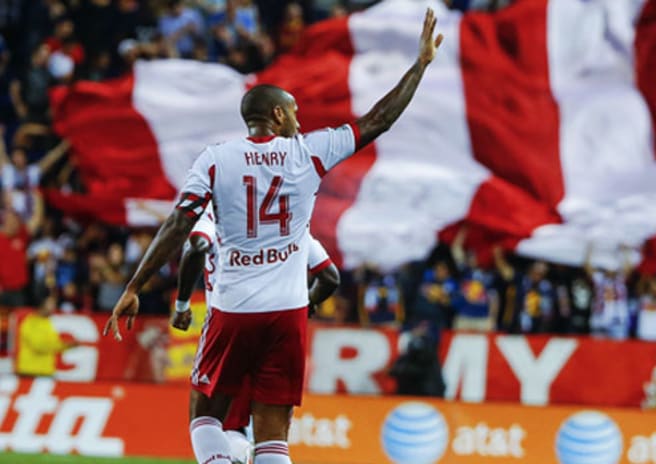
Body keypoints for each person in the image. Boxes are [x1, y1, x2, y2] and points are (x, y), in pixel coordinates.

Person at [103, 10, 442, 464]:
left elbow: (181, 225)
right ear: (278, 115)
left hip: (234, 307)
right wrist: (418, 67)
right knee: (273, 433)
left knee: (203, 411)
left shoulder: (215, 159)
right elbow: (377, 120)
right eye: (296, 113)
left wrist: (134, 287)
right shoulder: (308, 152)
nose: (300, 122)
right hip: (288, 314)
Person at [171, 202, 340, 464]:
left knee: (208, 417)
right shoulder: (288, 222)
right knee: (272, 439)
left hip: (232, 326)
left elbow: (197, 246)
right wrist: (308, 304)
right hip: (283, 326)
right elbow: (330, 277)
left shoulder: (219, 211)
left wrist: (181, 304)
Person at [15, 294, 76, 377]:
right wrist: (65, 345)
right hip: (30, 372)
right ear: (41, 304)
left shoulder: (47, 323)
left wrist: (66, 345)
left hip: (45, 371)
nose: (54, 306)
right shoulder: (31, 322)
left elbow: (52, 343)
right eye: (50, 303)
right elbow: (39, 346)